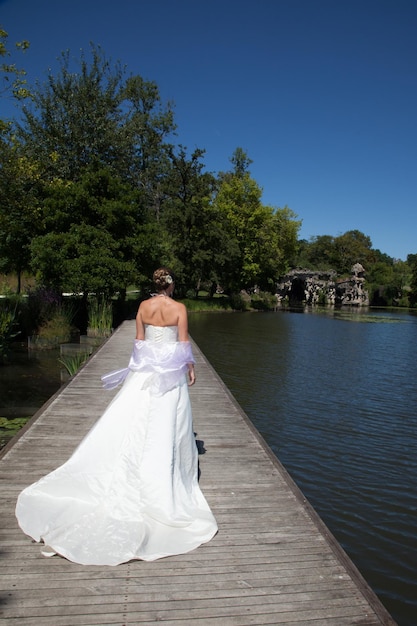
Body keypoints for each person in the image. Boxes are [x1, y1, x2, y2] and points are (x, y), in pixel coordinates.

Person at [15, 268, 218, 566]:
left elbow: (139, 343)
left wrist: (138, 370)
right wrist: (190, 369)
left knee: (135, 418)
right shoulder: (179, 308)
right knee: (168, 426)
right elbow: (183, 345)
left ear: (155, 284)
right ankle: (161, 478)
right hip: (169, 376)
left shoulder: (144, 307)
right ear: (171, 285)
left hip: (146, 372)